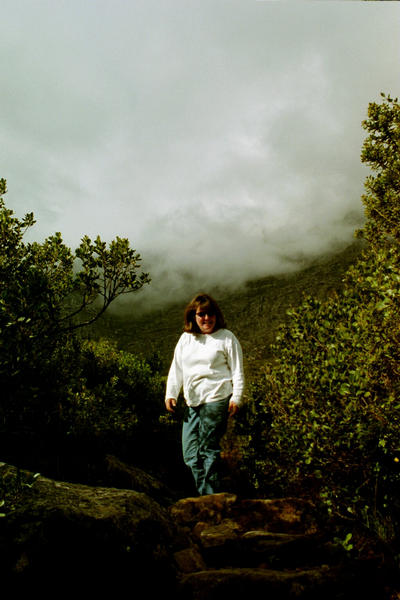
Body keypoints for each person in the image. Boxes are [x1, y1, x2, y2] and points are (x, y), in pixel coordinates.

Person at [165, 292, 245, 496]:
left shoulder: (226, 338)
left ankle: (210, 497)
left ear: (216, 315)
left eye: (210, 314)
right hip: (192, 401)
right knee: (190, 453)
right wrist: (171, 393)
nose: (206, 319)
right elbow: (177, 369)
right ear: (193, 317)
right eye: (201, 315)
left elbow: (237, 370)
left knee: (208, 448)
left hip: (217, 397)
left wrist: (236, 397)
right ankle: (206, 493)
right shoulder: (186, 339)